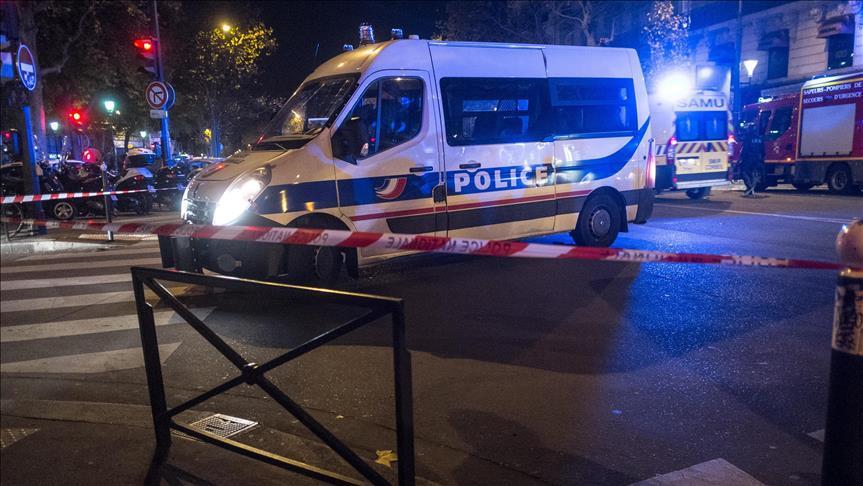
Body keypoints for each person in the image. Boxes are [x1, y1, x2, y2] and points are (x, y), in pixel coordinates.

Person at [738, 122, 764, 197]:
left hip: (748, 158)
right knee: (753, 173)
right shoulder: (759, 138)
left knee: (744, 172)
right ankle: (751, 189)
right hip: (757, 159)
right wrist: (761, 159)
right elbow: (763, 150)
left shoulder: (748, 138)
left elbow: (745, 150)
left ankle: (749, 187)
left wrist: (741, 159)